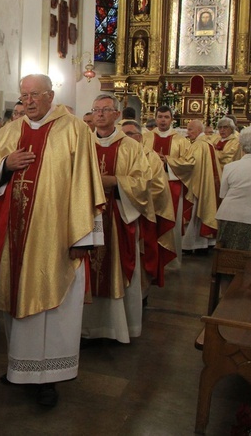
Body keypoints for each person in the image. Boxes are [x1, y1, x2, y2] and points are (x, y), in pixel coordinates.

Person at [0, 74, 104, 407]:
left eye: (35, 94)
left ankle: (49, 378)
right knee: (17, 301)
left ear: (51, 95)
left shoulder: (74, 130)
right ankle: (19, 367)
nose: (29, 101)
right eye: (24, 96)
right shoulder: (9, 132)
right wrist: (5, 167)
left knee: (55, 309)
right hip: (15, 234)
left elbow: (86, 182)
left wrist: (83, 236)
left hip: (56, 236)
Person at [82, 96, 150, 344]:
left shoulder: (131, 147)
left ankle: (114, 329)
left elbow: (143, 184)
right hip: (85, 216)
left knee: (114, 266)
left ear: (117, 115)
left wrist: (116, 182)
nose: (99, 114)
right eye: (96, 110)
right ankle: (85, 328)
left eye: (105, 110)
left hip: (117, 217)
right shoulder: (82, 143)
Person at [121, 120, 176, 294]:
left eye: (129, 134)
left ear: (139, 136)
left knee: (140, 257)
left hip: (142, 214)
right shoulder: (119, 152)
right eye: (123, 134)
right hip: (118, 212)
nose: (126, 138)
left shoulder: (149, 156)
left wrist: (133, 197)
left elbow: (158, 188)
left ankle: (140, 294)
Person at [143, 106, 190, 267]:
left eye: (166, 117)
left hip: (172, 186)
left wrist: (167, 161)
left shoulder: (181, 140)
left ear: (172, 120)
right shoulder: (146, 137)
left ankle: (171, 260)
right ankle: (148, 258)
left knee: (171, 222)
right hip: (150, 186)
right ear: (155, 118)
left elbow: (189, 163)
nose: (163, 120)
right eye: (160, 117)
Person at [167, 119, 222, 254]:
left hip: (198, 184)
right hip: (205, 183)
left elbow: (189, 164)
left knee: (197, 211)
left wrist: (168, 160)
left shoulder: (198, 144)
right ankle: (204, 243)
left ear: (198, 130)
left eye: (190, 129)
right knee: (204, 209)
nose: (188, 132)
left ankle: (195, 245)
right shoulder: (208, 142)